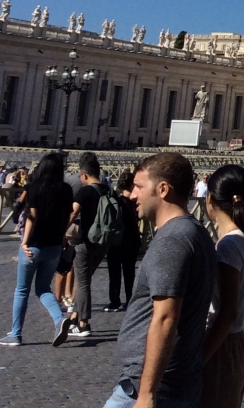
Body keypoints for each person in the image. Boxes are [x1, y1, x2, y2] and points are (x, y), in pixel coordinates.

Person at [107, 152, 217, 408]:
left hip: (151, 386)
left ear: (163, 189)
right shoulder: (195, 232)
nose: (132, 195)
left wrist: (147, 393)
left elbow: (166, 317)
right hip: (176, 383)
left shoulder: (172, 241)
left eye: (139, 187)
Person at [200, 165, 244, 408]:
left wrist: (198, 361)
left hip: (217, 345)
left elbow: (228, 312)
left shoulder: (228, 247)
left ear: (209, 199)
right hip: (237, 346)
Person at [0, 151, 72, 347]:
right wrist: (62, 236)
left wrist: (24, 242)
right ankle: (59, 319)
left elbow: (32, 216)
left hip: (34, 246)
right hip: (54, 246)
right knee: (43, 289)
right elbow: (67, 215)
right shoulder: (65, 190)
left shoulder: (36, 188)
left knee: (22, 290)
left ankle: (16, 334)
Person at [69, 152, 110, 338]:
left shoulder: (84, 191)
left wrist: (62, 232)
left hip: (85, 241)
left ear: (84, 175)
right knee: (83, 280)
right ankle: (74, 317)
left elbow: (72, 213)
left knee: (83, 283)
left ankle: (84, 323)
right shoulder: (108, 190)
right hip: (103, 243)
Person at [104, 171, 141, 312]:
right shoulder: (135, 203)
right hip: (132, 241)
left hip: (117, 241)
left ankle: (114, 301)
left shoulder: (116, 202)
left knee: (114, 272)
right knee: (129, 272)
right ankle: (130, 299)